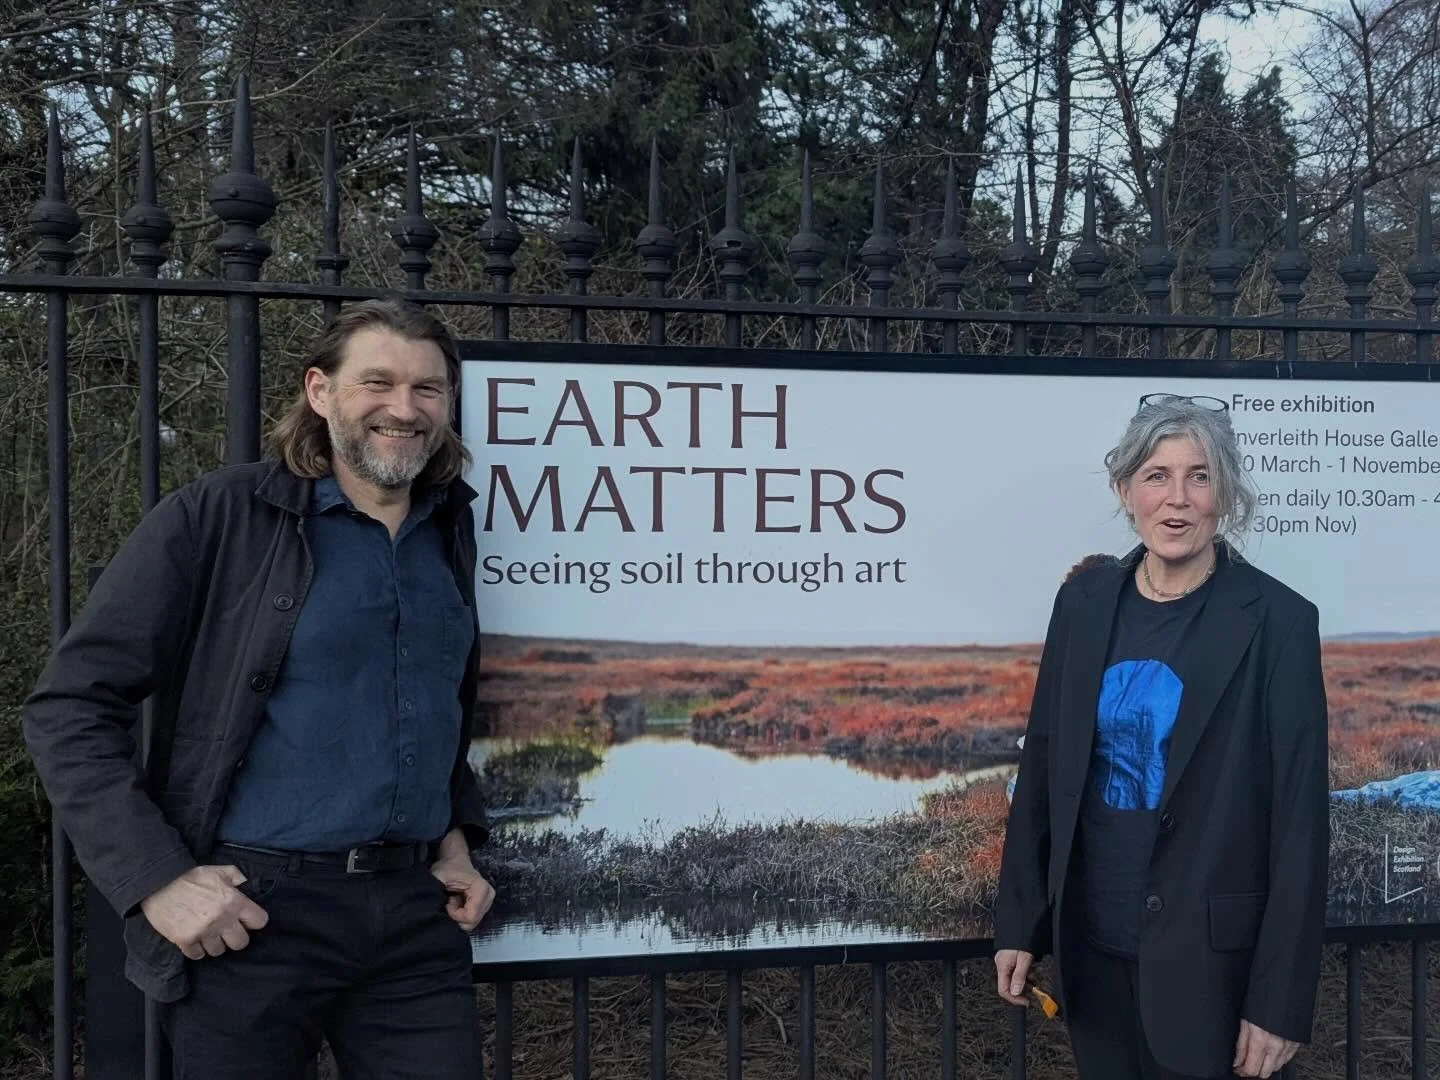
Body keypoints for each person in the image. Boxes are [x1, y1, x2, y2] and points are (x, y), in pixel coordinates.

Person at [23, 298, 495, 1079]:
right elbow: (69, 706)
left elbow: (429, 704)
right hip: (253, 919)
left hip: (415, 920)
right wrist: (157, 881)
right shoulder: (219, 517)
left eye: (428, 390)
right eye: (376, 382)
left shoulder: (446, 527)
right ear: (320, 392)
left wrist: (453, 839)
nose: (403, 410)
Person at [992, 392, 1328, 1080]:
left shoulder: (1279, 622)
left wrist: (1279, 1002)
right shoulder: (1082, 605)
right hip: (1093, 950)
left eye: (1199, 476)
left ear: (1225, 494)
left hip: (1216, 973)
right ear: (1125, 491)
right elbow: (1047, 762)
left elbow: (1301, 824)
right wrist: (1021, 924)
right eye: (1156, 476)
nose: (1177, 499)